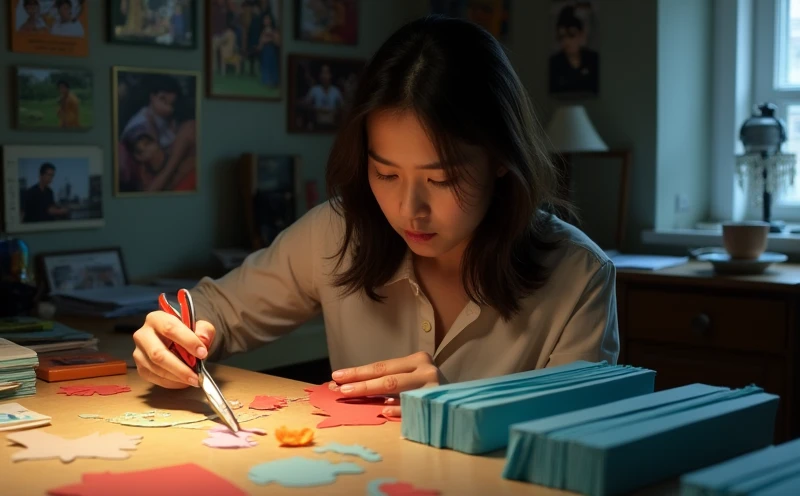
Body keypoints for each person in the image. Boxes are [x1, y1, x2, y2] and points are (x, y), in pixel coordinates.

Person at [133, 15, 619, 418]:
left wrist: (460, 410)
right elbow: (216, 310)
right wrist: (170, 336)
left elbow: (584, 448)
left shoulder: (579, 278)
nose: (410, 210)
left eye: (442, 179)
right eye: (386, 174)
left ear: (500, 159)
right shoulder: (337, 232)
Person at [548, 5, 599, 95]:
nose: (566, 41)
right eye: (562, 37)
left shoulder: (593, 59)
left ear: (581, 35)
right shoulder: (555, 62)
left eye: (572, 35)